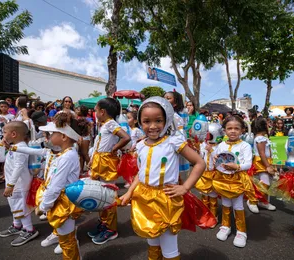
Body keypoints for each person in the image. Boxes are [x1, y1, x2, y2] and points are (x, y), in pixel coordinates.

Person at [119, 97, 205, 260]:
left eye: (158, 120)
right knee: (152, 240)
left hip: (166, 199)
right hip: (144, 198)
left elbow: (199, 163)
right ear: (140, 122)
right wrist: (130, 192)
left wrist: (185, 187)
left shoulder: (173, 142)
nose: (152, 126)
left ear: (166, 120)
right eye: (146, 121)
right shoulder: (140, 145)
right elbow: (141, 172)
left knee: (169, 247)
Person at [33, 112, 85, 259]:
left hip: (63, 203)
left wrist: (43, 206)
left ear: (63, 137)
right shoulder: (66, 153)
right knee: (66, 238)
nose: (48, 137)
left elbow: (56, 185)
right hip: (60, 200)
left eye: (51, 134)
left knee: (67, 240)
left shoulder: (68, 156)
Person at [88, 98, 130, 244]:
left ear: (102, 112)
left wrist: (113, 149)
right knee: (101, 195)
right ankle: (104, 223)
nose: (94, 112)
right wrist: (92, 158)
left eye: (95, 110)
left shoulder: (111, 123)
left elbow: (126, 137)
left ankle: (111, 229)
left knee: (108, 196)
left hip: (106, 163)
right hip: (100, 162)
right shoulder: (104, 124)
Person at [213, 116, 255, 248]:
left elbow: (248, 164)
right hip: (223, 179)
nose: (232, 131)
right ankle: (226, 226)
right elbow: (215, 159)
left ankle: (241, 231)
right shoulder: (221, 145)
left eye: (236, 128)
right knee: (225, 202)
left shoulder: (245, 146)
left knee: (237, 205)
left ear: (242, 130)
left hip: (237, 179)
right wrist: (214, 158)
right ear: (224, 130)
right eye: (229, 128)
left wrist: (236, 167)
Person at [0, 121, 39, 246]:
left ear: (14, 134)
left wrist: (10, 185)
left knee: (20, 207)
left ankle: (29, 229)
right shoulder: (15, 146)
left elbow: (18, 167)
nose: (3, 135)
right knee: (15, 205)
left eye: (5, 132)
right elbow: (5, 160)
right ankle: (17, 226)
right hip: (14, 183)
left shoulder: (21, 148)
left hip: (19, 185)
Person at [195, 123, 224, 226]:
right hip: (204, 174)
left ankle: (213, 216)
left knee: (212, 198)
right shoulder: (203, 145)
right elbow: (200, 158)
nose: (207, 137)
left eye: (209, 135)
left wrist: (211, 150)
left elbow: (218, 161)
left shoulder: (219, 147)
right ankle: (205, 215)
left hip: (213, 175)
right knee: (204, 197)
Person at [246, 117, 276, 214]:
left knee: (266, 183)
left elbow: (267, 152)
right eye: (267, 124)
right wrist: (268, 165)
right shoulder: (260, 139)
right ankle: (252, 201)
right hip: (261, 163)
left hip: (265, 162)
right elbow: (262, 153)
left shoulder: (263, 138)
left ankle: (263, 201)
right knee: (264, 183)